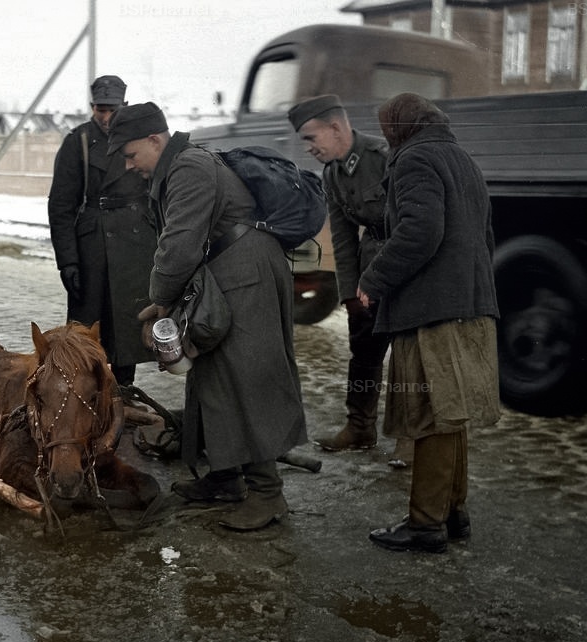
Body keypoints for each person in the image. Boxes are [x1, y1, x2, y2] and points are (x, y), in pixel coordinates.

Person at [108, 102, 308, 531]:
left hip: (244, 273)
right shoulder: (180, 165)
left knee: (244, 377)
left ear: (155, 140)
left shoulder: (188, 168)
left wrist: (160, 301)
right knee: (212, 376)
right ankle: (224, 477)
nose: (129, 166)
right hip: (228, 271)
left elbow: (179, 245)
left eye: (131, 154)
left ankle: (267, 494)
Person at [358, 93, 500, 553]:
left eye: (387, 128)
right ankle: (453, 513)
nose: (386, 137)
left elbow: (420, 231)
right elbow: (485, 237)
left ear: (401, 128)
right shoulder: (464, 161)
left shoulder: (415, 161)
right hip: (470, 304)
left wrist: (375, 278)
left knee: (433, 414)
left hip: (432, 311)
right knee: (451, 411)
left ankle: (425, 524)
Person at [288, 95, 413, 468]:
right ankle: (359, 427)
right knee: (363, 353)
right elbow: (343, 240)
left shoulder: (384, 156)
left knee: (408, 359)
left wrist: (384, 278)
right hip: (368, 265)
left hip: (404, 268)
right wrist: (350, 293)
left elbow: (411, 226)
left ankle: (408, 439)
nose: (309, 148)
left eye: (312, 139)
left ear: (336, 128)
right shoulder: (332, 175)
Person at [47, 75, 155, 387]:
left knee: (127, 331)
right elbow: (61, 206)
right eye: (100, 110)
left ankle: (124, 394)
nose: (106, 118)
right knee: (85, 336)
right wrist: (67, 261)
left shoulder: (138, 139)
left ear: (125, 105)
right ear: (92, 107)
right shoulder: (77, 141)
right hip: (91, 250)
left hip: (134, 247)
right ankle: (82, 401)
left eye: (113, 110)